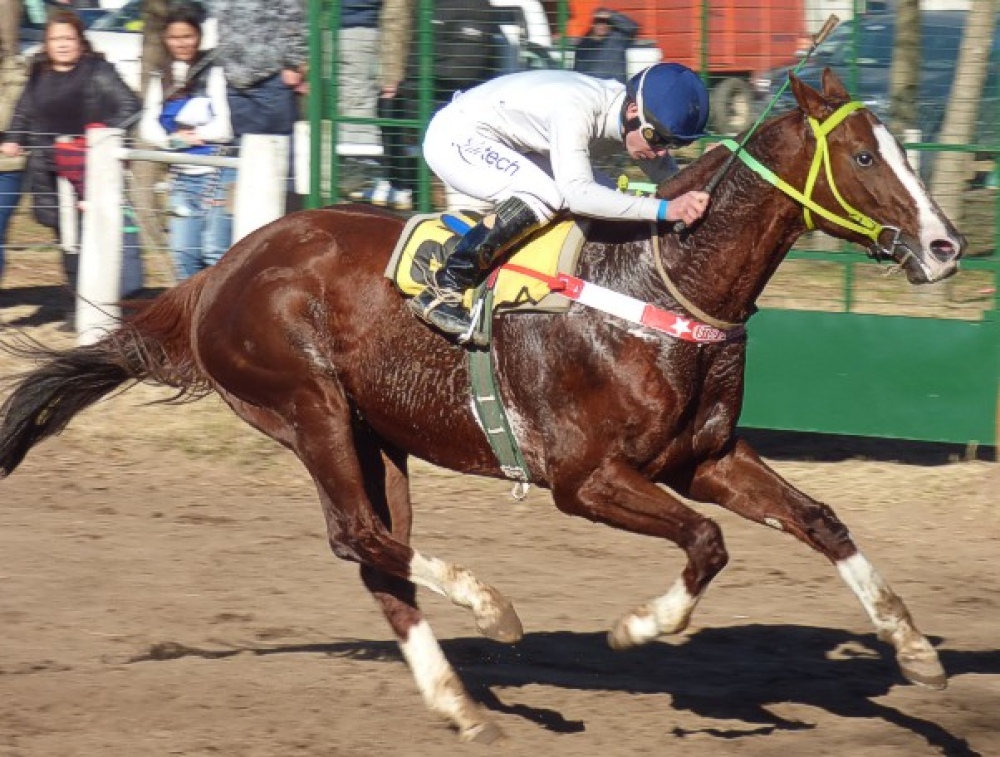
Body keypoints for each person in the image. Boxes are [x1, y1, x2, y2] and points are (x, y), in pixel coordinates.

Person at [409, 63, 712, 341]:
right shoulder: (576, 109)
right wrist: (665, 209)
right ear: (632, 109)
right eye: (657, 139)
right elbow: (578, 195)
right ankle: (445, 287)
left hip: (512, 143)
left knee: (609, 196)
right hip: (457, 137)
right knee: (549, 195)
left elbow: (666, 178)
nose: (661, 153)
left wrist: (693, 199)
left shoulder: (628, 117)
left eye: (672, 145)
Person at [0, 8, 140, 323]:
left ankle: (105, 304)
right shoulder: (38, 73)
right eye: (55, 39)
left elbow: (131, 106)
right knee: (67, 241)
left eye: (68, 38)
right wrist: (13, 138)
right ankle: (77, 305)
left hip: (89, 169)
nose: (62, 44)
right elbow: (24, 111)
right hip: (49, 171)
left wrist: (100, 137)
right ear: (46, 43)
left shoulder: (98, 70)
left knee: (96, 238)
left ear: (80, 40)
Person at [140, 2, 233, 281]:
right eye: (174, 37)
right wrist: (173, 142)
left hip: (218, 173)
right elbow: (148, 126)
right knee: (183, 253)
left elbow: (224, 126)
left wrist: (199, 136)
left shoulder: (213, 72)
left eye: (187, 36)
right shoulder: (161, 76)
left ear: (198, 36)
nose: (181, 43)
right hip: (181, 177)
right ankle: (191, 315)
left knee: (215, 253)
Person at [209, 0, 306, 211]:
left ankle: (287, 232)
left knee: (280, 169)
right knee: (246, 170)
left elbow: (294, 13)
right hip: (235, 80)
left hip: (271, 78)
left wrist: (293, 61)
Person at [572, 7, 638, 83]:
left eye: (606, 23)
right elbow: (577, 68)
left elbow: (632, 27)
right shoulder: (584, 44)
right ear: (593, 25)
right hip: (591, 88)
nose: (602, 26)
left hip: (614, 88)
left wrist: (611, 15)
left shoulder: (618, 38)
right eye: (598, 22)